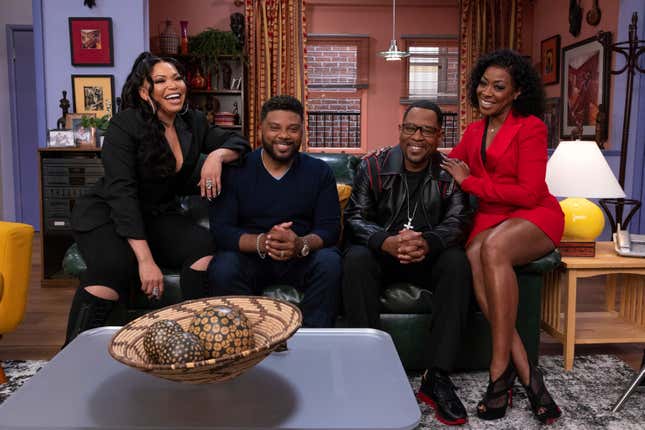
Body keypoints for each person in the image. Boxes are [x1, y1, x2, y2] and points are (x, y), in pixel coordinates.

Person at [64, 52, 250, 346]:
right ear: (144, 90)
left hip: (156, 214)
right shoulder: (124, 125)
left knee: (203, 244)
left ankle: (192, 339)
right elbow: (122, 194)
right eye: (160, 80)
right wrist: (146, 260)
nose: (173, 85)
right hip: (109, 213)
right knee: (116, 266)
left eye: (177, 78)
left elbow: (239, 143)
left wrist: (216, 154)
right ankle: (72, 354)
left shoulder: (192, 122)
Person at [442, 49, 564, 424]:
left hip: (534, 216)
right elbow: (448, 162)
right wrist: (398, 154)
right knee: (475, 252)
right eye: (483, 83)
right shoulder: (475, 130)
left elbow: (529, 192)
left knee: (492, 248)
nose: (487, 92)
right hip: (492, 217)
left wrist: (472, 181)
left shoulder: (530, 127)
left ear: (515, 93)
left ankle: (499, 372)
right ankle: (529, 375)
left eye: (499, 86)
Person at [342, 100, 474, 426]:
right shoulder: (372, 167)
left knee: (457, 262)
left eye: (428, 130)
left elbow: (459, 222)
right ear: (400, 130)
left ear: (439, 135)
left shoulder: (448, 172)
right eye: (411, 128)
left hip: (427, 256)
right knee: (356, 259)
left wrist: (426, 242)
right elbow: (355, 218)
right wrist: (386, 242)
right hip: (382, 255)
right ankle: (369, 368)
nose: (418, 136)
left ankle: (437, 376)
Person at [207, 95, 342, 328]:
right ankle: (247, 341)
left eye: (293, 129)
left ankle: (313, 342)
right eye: (275, 128)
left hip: (301, 257)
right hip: (252, 257)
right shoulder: (236, 170)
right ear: (260, 129)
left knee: (330, 262)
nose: (284, 136)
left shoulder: (319, 172)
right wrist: (264, 242)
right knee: (223, 266)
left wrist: (300, 244)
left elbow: (330, 228)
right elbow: (222, 230)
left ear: (302, 131)